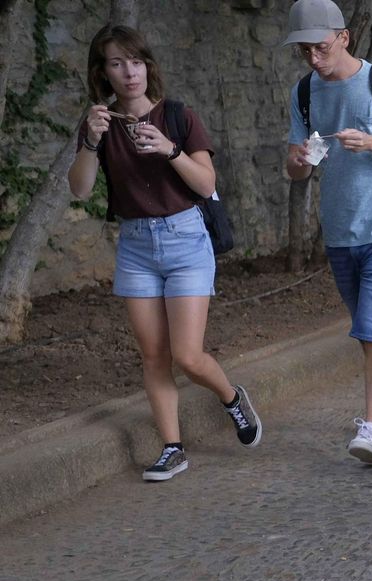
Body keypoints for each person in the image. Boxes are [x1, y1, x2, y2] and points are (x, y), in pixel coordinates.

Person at [67, 24, 262, 483]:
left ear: (147, 66)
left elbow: (207, 185)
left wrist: (170, 149)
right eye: (117, 63)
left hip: (185, 239)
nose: (129, 72)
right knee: (153, 356)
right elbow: (79, 189)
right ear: (103, 73)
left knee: (188, 356)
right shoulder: (100, 124)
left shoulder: (177, 115)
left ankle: (232, 399)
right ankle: (172, 448)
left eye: (135, 62)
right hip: (135, 245)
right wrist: (92, 141)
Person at [281, 0, 372, 466]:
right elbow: (294, 171)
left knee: (371, 322)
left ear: (344, 37)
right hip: (339, 230)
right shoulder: (304, 92)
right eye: (304, 50)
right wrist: (300, 161)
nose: (312, 58)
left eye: (320, 47)